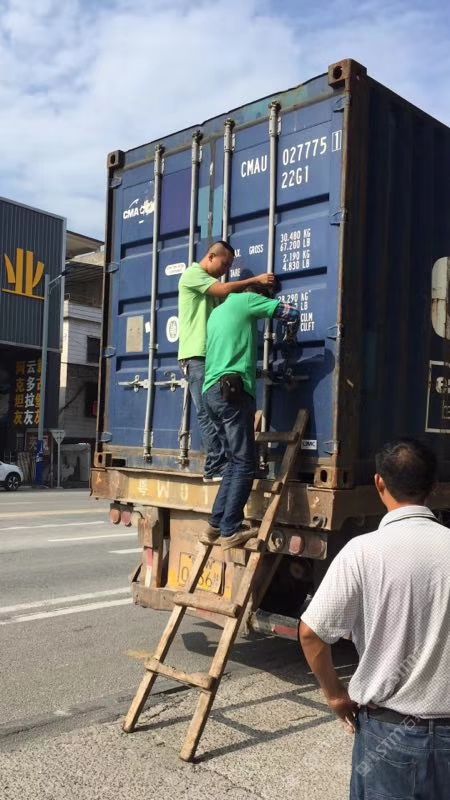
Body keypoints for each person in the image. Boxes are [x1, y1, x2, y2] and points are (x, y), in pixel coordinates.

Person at [299, 438, 450, 800]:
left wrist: (336, 696)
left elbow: (311, 633)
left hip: (388, 736)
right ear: (433, 487)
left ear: (379, 482)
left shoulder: (362, 553)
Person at [200, 280, 300, 549]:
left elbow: (229, 357)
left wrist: (264, 373)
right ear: (257, 297)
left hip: (212, 392)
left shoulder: (218, 311)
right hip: (232, 393)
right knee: (245, 464)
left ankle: (214, 526)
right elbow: (291, 312)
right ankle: (231, 529)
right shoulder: (248, 300)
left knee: (234, 462)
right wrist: (290, 339)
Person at [178, 241, 275, 482]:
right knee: (207, 412)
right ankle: (215, 465)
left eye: (230, 266)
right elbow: (223, 291)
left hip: (212, 355)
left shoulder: (211, 285)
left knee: (219, 411)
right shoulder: (192, 274)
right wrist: (256, 281)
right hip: (197, 354)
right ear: (211, 256)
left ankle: (229, 463)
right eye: (224, 263)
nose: (226, 270)